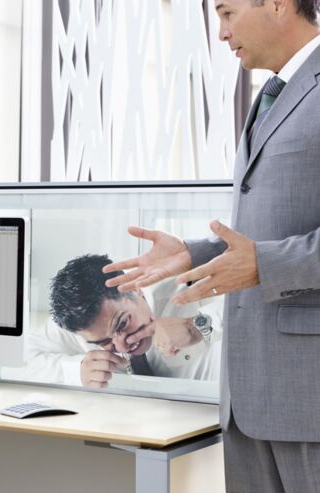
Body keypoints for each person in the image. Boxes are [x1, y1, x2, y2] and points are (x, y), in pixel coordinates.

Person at [102, 1, 320, 490]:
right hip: (248, 395)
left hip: (309, 395)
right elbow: (267, 231)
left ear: (279, 5)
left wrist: (265, 264)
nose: (220, 33)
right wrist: (195, 254)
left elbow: (264, 255)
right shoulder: (272, 93)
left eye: (227, 13)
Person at [22, 254, 221, 388]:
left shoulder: (186, 285)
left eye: (123, 324)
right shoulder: (78, 321)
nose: (122, 346)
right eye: (103, 342)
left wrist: (196, 326)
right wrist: (77, 370)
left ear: (134, 289)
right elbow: (21, 360)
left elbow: (247, 306)